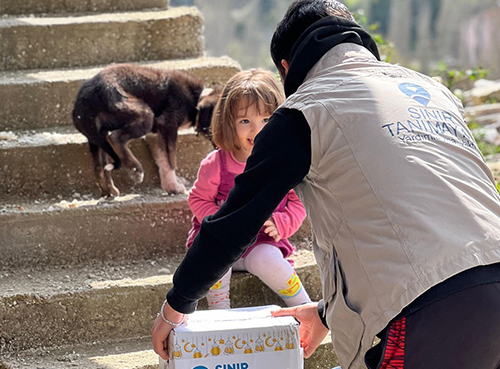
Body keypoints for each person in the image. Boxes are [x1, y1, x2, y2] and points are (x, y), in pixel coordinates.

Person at [152, 1, 500, 368]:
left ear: (286, 67)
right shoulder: (434, 93)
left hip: (430, 313)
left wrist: (176, 305)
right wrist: (324, 313)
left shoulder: (305, 111)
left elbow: (235, 223)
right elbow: (425, 223)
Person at [185, 69, 311, 310]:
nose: (257, 130)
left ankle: (303, 306)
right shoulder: (217, 164)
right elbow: (198, 199)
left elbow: (298, 202)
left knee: (270, 261)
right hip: (221, 241)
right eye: (245, 121)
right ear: (228, 123)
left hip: (261, 243)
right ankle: (220, 312)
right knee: (213, 261)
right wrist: (217, 222)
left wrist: (282, 222)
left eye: (266, 120)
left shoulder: (283, 162)